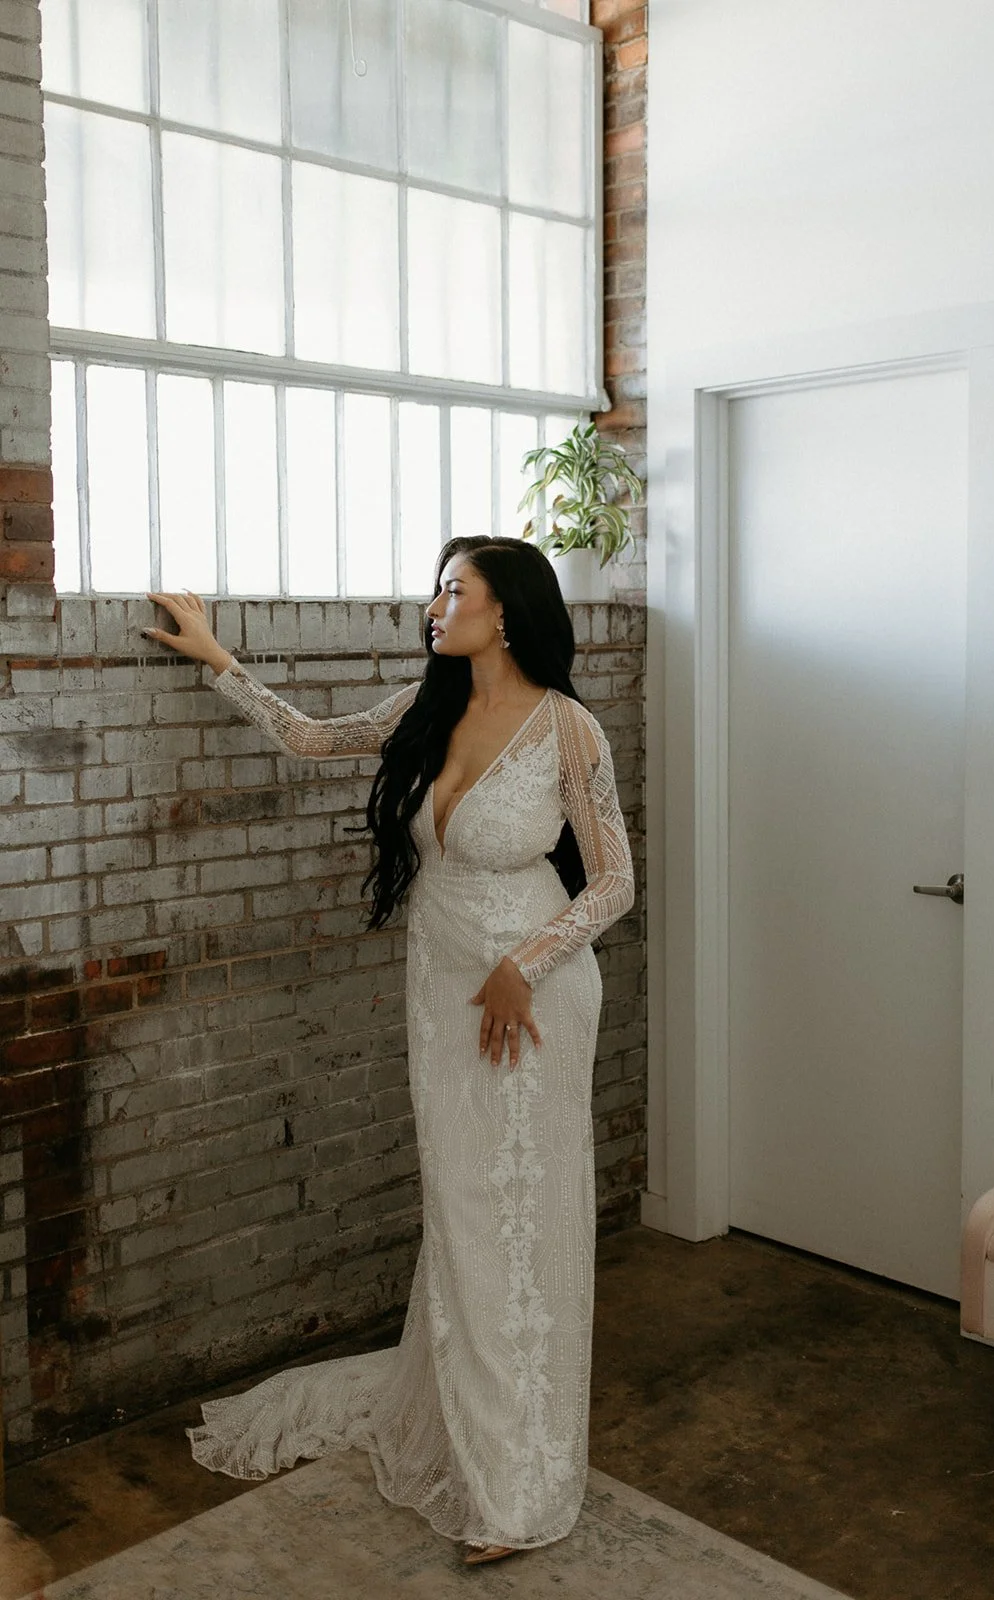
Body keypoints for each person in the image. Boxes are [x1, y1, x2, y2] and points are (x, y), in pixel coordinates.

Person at [142, 534, 635, 1566]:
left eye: (455, 589)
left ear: (505, 612)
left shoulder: (568, 728)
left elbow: (611, 883)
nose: (434, 604)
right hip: (443, 982)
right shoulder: (429, 711)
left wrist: (525, 965)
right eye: (436, 587)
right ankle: (460, 1422)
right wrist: (221, 660)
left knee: (519, 1218)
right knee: (461, 1212)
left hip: (533, 996)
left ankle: (517, 1483)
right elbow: (314, 739)